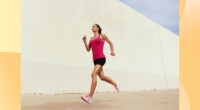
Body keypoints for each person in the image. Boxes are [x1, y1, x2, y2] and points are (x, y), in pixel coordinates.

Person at [81, 23, 119, 104]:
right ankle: (115, 83)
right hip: (95, 61)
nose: (93, 27)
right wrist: (85, 42)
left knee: (93, 74)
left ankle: (90, 97)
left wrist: (112, 51)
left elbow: (111, 43)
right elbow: (88, 49)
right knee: (102, 77)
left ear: (98, 28)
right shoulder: (91, 39)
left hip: (101, 58)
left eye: (94, 26)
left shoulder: (102, 36)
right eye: (92, 26)